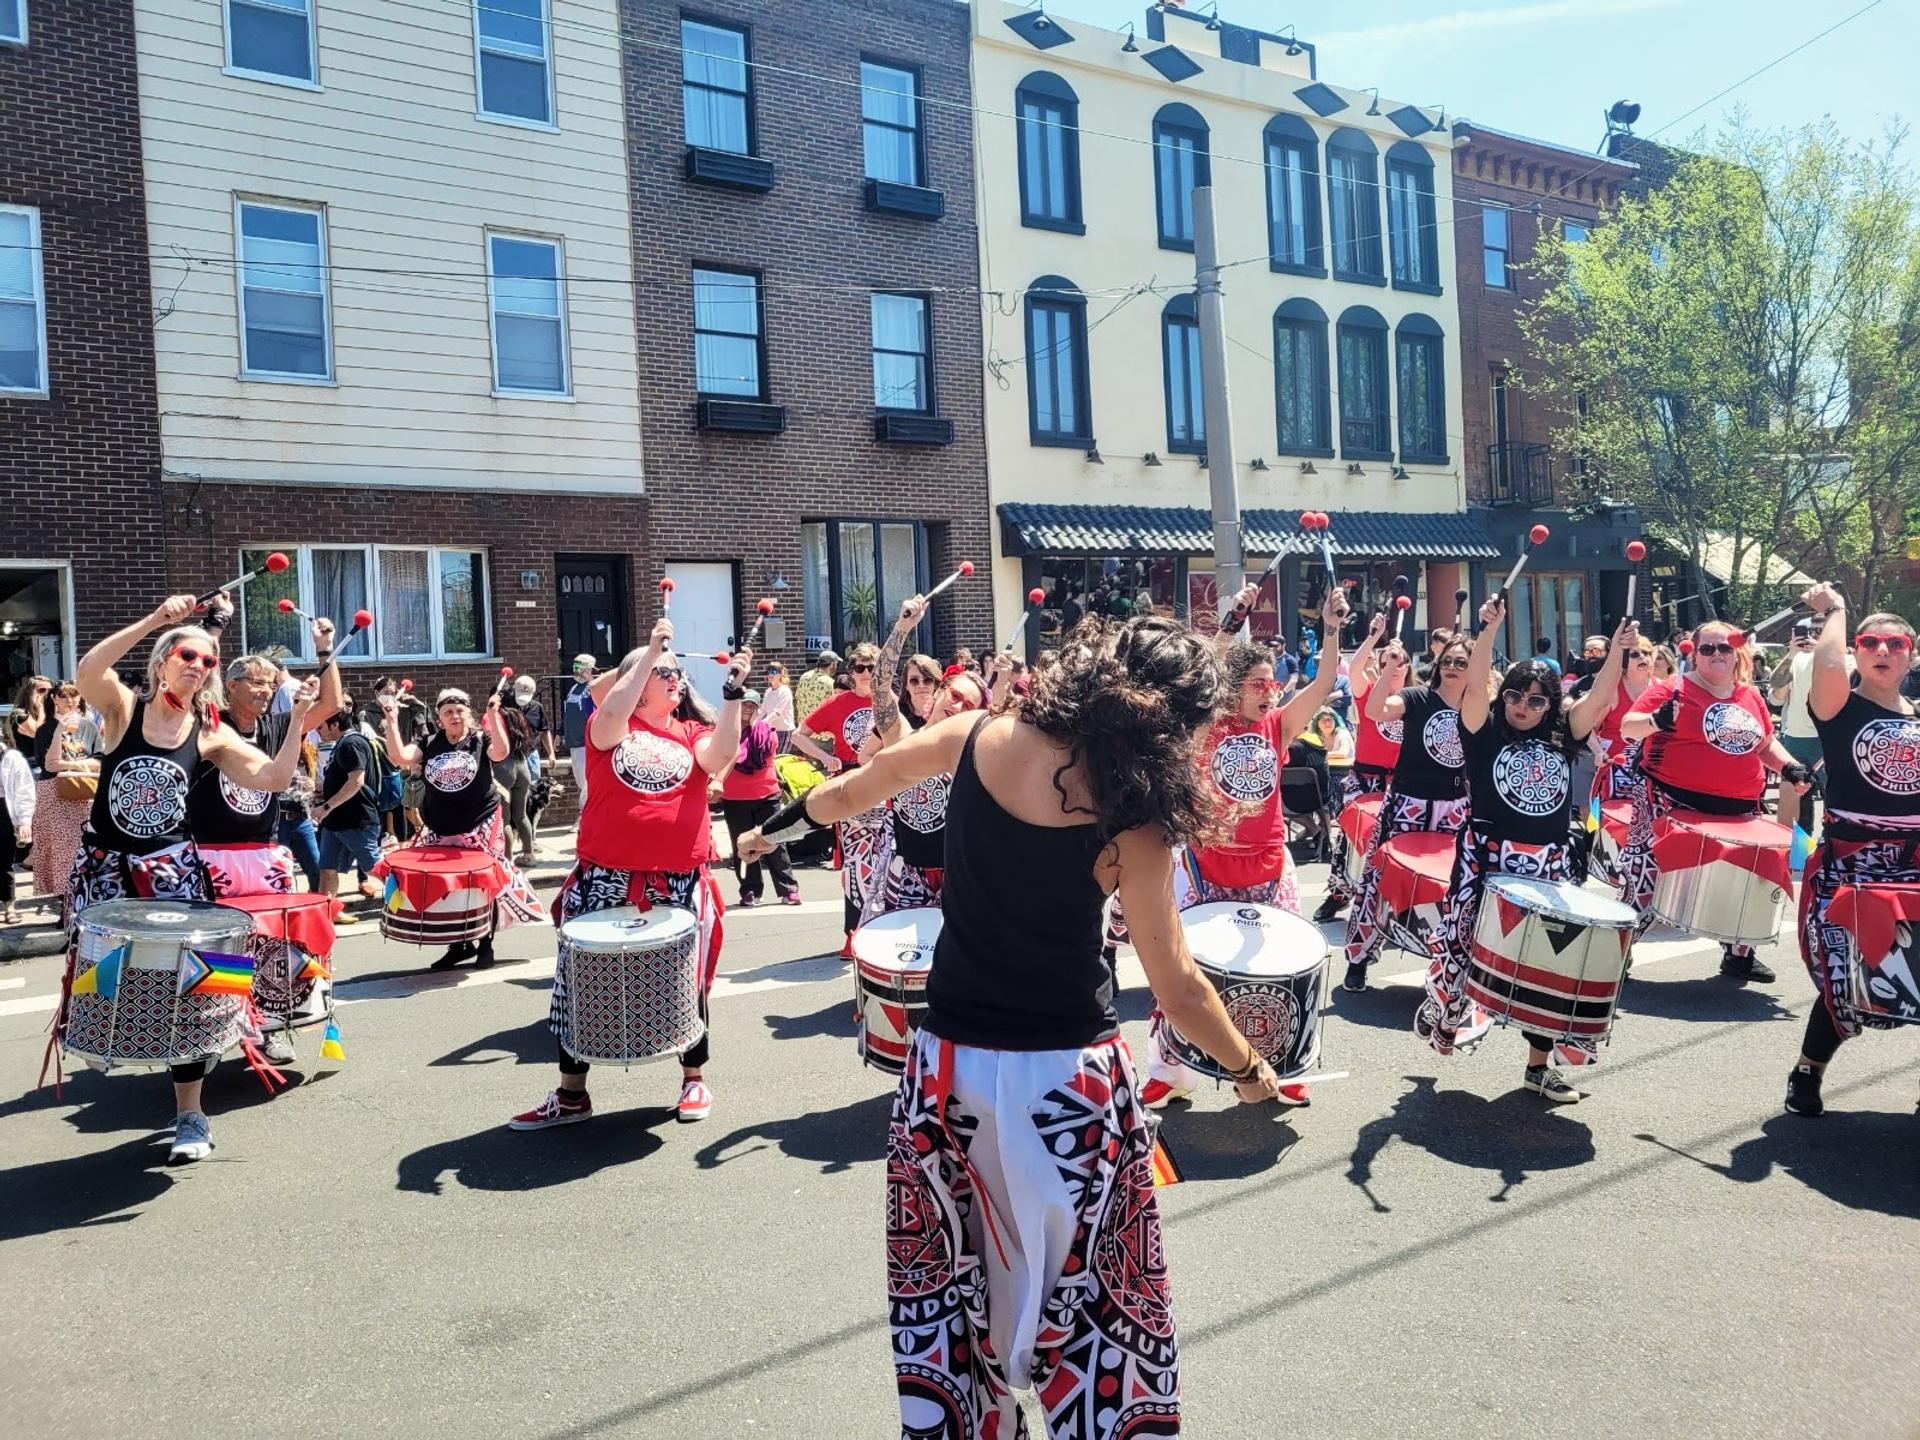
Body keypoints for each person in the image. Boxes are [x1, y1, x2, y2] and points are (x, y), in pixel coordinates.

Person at [737, 612, 1284, 1439]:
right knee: (1096, 1309)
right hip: (1072, 1089)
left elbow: (850, 793)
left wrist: (769, 831)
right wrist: (1248, 1068)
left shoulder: (974, 735)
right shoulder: (1132, 818)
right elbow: (1176, 987)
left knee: (959, 1297)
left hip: (946, 1076)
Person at [61, 593, 318, 1165]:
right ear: (161, 662)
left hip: (172, 872)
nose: (198, 665)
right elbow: (87, 672)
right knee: (114, 987)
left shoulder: (209, 736)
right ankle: (119, 1049)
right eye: (187, 654)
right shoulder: (123, 710)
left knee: (190, 991)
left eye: (206, 661)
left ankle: (190, 1113)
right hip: (107, 871)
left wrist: (298, 715)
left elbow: (275, 778)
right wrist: (158, 619)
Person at [510, 619, 749, 1130]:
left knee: (685, 982)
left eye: (675, 672)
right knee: (582, 980)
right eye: (664, 672)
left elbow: (721, 755)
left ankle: (693, 1079)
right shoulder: (610, 726)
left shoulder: (692, 731)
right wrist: (649, 655)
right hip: (605, 871)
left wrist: (732, 696)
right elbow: (612, 705)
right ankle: (572, 1095)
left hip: (678, 876)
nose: (674, 677)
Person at [1136, 585, 1347, 1109]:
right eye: (1257, 683)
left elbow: (1323, 683)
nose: (1269, 692)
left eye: (1273, 684)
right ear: (1232, 687)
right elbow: (1202, 667)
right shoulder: (1205, 725)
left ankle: (1284, 1062)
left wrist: (1332, 627)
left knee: (1280, 969)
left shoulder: (1278, 725)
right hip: (1205, 864)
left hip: (1271, 864)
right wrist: (1230, 622)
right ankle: (1170, 1072)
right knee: (1181, 972)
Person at [1416, 602, 1631, 1100]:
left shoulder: (1562, 734)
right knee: (1463, 946)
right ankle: (1445, 1009)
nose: (1523, 705)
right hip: (1487, 858)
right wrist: (1488, 628)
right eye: (1515, 694)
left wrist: (1616, 653)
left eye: (1537, 700)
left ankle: (1539, 1066)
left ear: (1550, 704)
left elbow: (1600, 699)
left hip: (1549, 864)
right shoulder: (1483, 729)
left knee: (1550, 966)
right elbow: (1475, 685)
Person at [1616, 619, 1812, 982]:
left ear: (1736, 652)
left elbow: (1766, 744)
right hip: (1669, 800)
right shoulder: (1674, 689)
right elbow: (1629, 726)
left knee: (1748, 875)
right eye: (1708, 648)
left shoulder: (1749, 695)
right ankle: (1616, 952)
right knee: (1648, 876)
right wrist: (1657, 721)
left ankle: (1739, 954)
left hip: (1738, 807)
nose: (1717, 654)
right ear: (1694, 654)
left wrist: (1790, 768)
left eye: (1724, 647)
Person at [1784, 590, 1919, 1116]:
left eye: (1895, 642)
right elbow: (1827, 660)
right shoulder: (1839, 706)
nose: (1883, 649)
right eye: (1870, 642)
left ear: (1911, 653)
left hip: (1914, 862)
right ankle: (1808, 1070)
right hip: (1853, 863)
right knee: (1845, 975)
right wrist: (1835, 611)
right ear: (1857, 652)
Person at [1344, 634, 1476, 990]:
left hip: (1454, 808)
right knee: (1378, 880)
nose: (1451, 668)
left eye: (1461, 663)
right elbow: (1375, 711)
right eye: (1447, 661)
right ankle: (1358, 959)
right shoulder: (1418, 698)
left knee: (1456, 887)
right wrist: (1388, 669)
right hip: (1406, 802)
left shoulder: (1478, 710)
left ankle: (1451, 962)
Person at [377, 687, 542, 970]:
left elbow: (501, 753)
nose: (454, 716)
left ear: (469, 713)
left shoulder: (480, 739)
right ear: (439, 717)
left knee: (482, 884)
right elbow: (401, 757)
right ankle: (459, 945)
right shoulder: (429, 742)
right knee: (451, 888)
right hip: (441, 825)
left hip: (480, 822)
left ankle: (485, 945)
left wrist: (493, 715)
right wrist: (392, 721)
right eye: (448, 712)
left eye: (460, 711)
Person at [790, 640, 883, 956]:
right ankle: (853, 931)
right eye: (860, 668)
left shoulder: (890, 702)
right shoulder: (839, 703)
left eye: (872, 668)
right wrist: (825, 758)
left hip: (887, 784)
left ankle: (884, 926)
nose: (867, 674)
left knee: (890, 860)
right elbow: (798, 734)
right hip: (850, 785)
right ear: (852, 672)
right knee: (856, 863)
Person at [1316, 617, 1400, 923]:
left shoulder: (1415, 701)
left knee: (1395, 842)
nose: (1393, 665)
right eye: (1386, 661)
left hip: (1399, 783)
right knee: (1350, 838)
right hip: (1365, 778)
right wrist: (1373, 636)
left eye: (1398, 661)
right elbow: (1354, 668)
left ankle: (1392, 901)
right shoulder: (1367, 694)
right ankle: (1339, 894)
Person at [718, 688, 799, 906]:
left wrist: (751, 728)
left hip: (766, 795)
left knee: (775, 843)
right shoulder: (726, 732)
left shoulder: (766, 732)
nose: (747, 709)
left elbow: (755, 757)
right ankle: (750, 890)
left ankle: (788, 889)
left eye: (752, 705)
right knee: (742, 847)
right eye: (743, 704)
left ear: (758, 709)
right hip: (735, 797)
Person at [1769, 616, 1848, 836]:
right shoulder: (1797, 658)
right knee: (1794, 807)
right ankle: (1798, 858)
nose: (1815, 635)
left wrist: (1823, 652)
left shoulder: (1843, 659)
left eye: (1822, 631)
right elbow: (1776, 687)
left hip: (1827, 740)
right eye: (1811, 631)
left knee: (1835, 804)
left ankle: (1831, 851)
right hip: (1795, 738)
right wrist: (1792, 652)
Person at [30, 682, 100, 904]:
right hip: (54, 793)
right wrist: (77, 762)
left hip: (84, 791)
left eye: (74, 695)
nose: (70, 701)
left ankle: (81, 899)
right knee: (59, 850)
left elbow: (101, 758)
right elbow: (48, 764)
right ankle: (65, 904)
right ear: (54, 699)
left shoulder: (89, 726)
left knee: (83, 847)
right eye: (64, 696)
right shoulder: (45, 729)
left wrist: (73, 765)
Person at [312, 706, 385, 906]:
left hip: (357, 820)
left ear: (335, 724)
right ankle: (326, 914)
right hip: (335, 822)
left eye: (321, 726)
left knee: (374, 866)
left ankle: (406, 897)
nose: (318, 732)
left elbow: (356, 781)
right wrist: (318, 788)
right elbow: (340, 779)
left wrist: (326, 807)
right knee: (327, 868)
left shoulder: (352, 743)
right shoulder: (340, 745)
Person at [496, 703, 537, 868]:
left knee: (504, 820)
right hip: (522, 767)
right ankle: (529, 855)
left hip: (504, 769)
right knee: (521, 815)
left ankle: (508, 860)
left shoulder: (500, 732)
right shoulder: (520, 737)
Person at [1, 725, 33, 925]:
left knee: (4, 861)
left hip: (4, 810)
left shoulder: (12, 759)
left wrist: (25, 820)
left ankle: (9, 905)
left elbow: (24, 791)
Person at [563, 654, 598, 805]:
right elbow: (567, 713)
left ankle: (583, 814)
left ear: (588, 669)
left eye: (578, 667)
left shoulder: (594, 688)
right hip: (574, 741)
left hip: (587, 742)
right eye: (574, 667)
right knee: (580, 779)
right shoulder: (574, 689)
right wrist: (560, 733)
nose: (575, 671)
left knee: (587, 781)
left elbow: (595, 713)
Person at [791, 649, 839, 732]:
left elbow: (797, 699)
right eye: (836, 664)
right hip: (822, 734)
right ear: (832, 664)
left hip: (803, 731)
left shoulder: (804, 677)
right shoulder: (830, 683)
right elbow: (834, 709)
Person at [6, 675, 49, 760]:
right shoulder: (19, 715)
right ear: (30, 693)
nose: (46, 694)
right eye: (42, 690)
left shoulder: (48, 713)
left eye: (50, 691)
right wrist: (41, 709)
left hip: (49, 761)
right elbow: (39, 734)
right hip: (30, 763)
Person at [758, 661, 795, 747]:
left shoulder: (785, 691)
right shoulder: (768, 691)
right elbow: (763, 711)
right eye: (768, 672)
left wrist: (762, 723)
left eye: (774, 672)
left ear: (781, 674)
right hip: (772, 731)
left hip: (785, 731)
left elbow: (777, 713)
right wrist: (755, 722)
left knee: (780, 758)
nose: (770, 675)